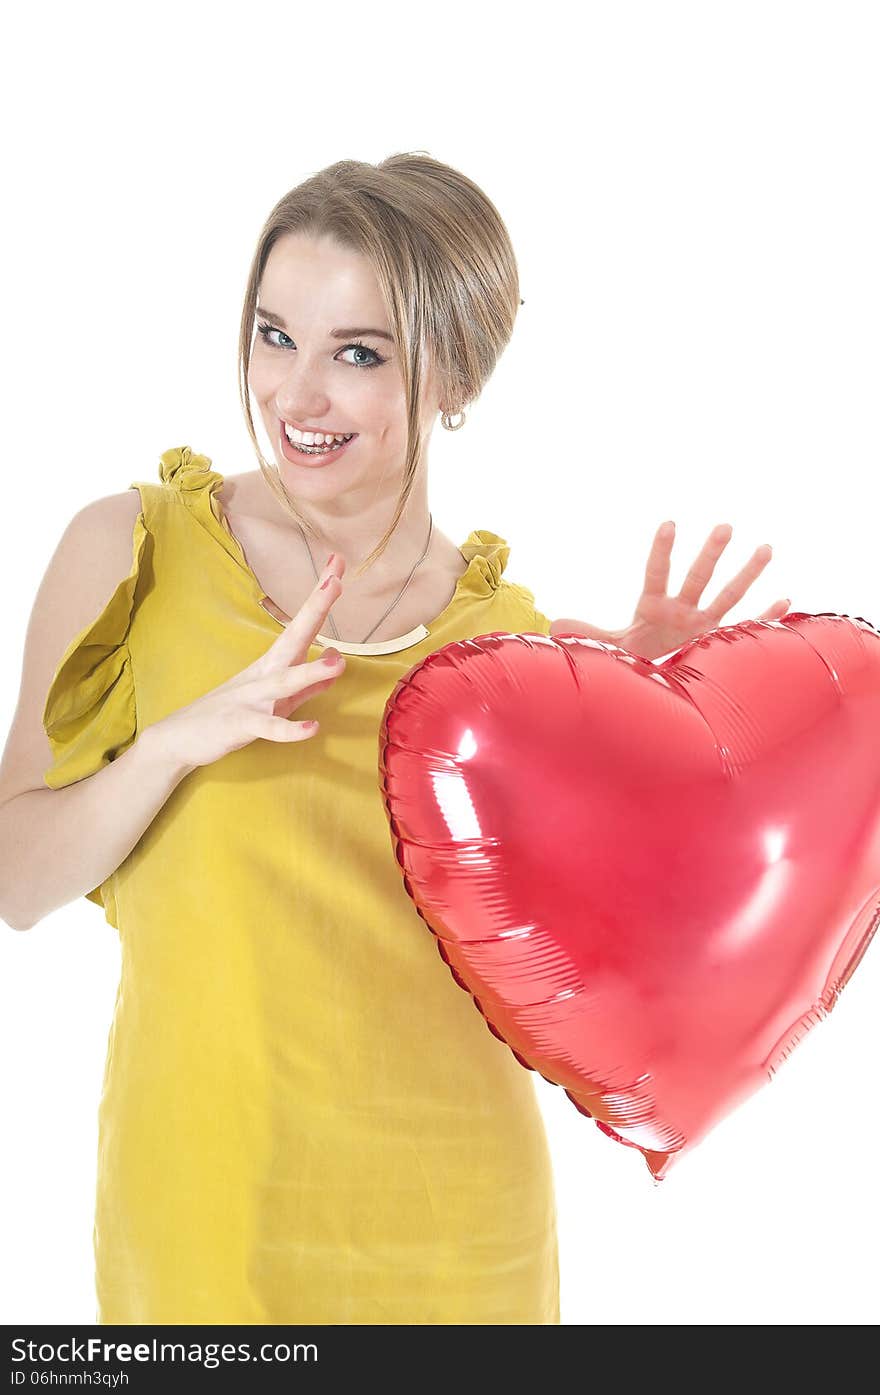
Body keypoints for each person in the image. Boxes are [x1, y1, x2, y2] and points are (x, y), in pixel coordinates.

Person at [0, 152, 787, 1326]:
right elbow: (17, 883)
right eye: (274, 336)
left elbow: (632, 944)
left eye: (356, 354)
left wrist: (656, 719)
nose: (295, 396)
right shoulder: (134, 551)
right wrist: (173, 742)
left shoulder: (507, 646)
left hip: (461, 1231)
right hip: (214, 1210)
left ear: (454, 373)